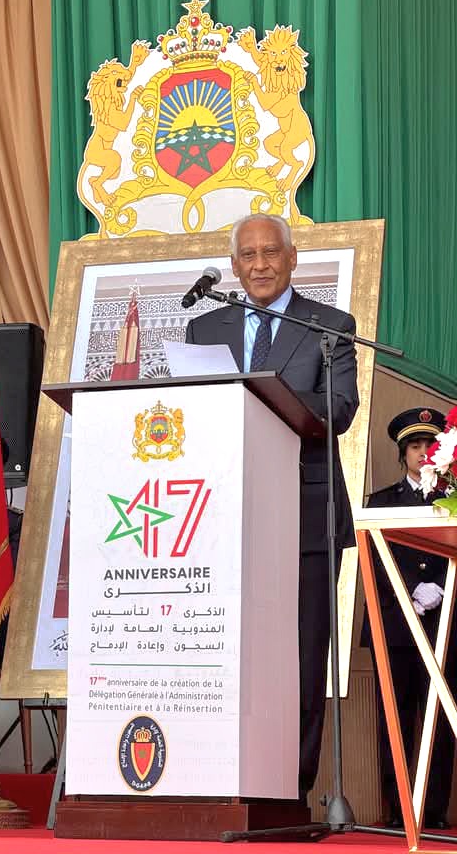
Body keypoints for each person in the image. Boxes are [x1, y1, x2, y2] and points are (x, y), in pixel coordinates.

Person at [185, 213, 359, 800]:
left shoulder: (330, 326)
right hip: (220, 517)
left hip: (304, 514)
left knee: (301, 657)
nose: (259, 265)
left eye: (270, 253)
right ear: (234, 266)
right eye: (248, 256)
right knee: (228, 653)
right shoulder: (205, 328)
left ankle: (290, 789)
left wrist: (262, 397)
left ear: (292, 258)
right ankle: (222, 779)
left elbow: (339, 408)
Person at [364, 407, 455, 830]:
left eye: (428, 446)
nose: (421, 453)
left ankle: (433, 811)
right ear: (402, 454)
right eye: (414, 446)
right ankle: (397, 809)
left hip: (444, 626)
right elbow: (374, 557)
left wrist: (440, 585)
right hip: (397, 626)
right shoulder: (382, 501)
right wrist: (411, 589)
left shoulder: (452, 497)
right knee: (395, 720)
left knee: (439, 719)